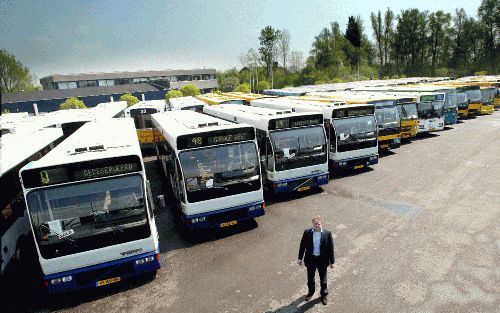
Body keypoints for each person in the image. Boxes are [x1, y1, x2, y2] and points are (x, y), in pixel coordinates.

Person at [297, 215, 335, 305]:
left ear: (321, 224)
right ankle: (311, 292)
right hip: (311, 260)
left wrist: (332, 262)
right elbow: (302, 246)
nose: (317, 225)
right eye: (315, 224)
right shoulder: (307, 233)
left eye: (318, 223)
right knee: (310, 278)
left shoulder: (327, 233)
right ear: (312, 224)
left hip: (322, 260)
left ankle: (324, 295)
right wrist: (300, 258)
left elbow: (331, 248)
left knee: (323, 279)